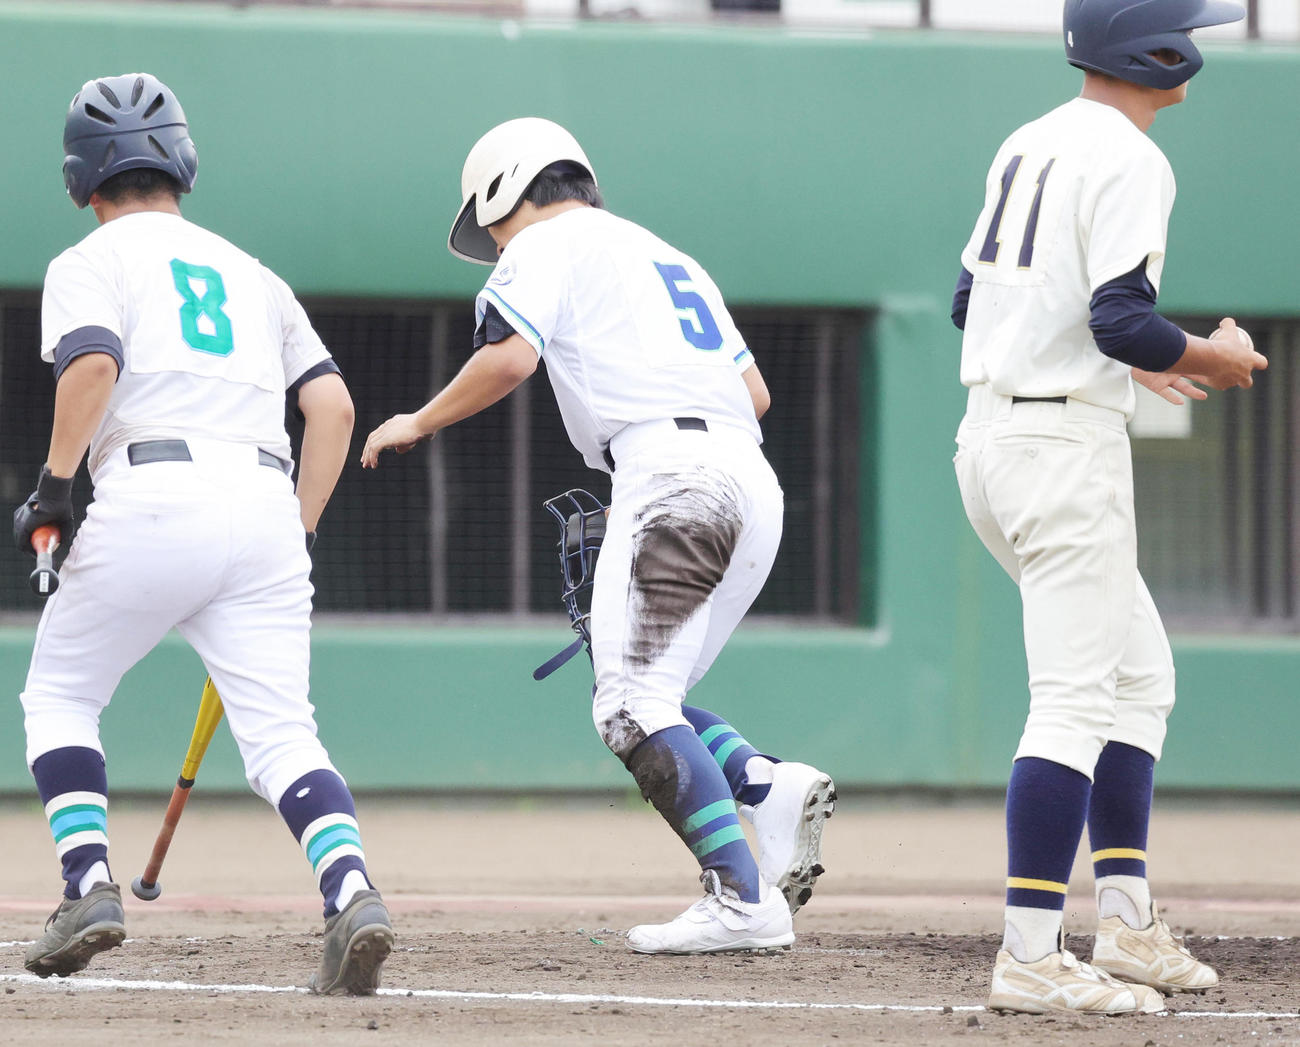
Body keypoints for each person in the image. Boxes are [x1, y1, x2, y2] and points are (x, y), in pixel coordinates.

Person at [361, 117, 835, 954]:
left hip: (675, 476)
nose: (495, 238)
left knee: (627, 704)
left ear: (510, 187)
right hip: (749, 480)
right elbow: (755, 394)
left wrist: (419, 420)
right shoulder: (668, 255)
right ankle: (764, 786)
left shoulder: (543, 244)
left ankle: (742, 900)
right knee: (658, 694)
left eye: (492, 218)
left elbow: (509, 359)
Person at [14, 72, 393, 994]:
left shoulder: (86, 262)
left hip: (151, 490)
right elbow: (334, 409)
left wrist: (54, 487)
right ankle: (352, 894)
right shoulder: (253, 273)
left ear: (81, 178)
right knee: (283, 737)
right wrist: (293, 536)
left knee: (59, 694)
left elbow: (94, 362)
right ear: (182, 162)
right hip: (265, 500)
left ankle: (88, 884)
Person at [951, 0, 1267, 1016]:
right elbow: (1118, 317)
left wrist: (1147, 359)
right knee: (1078, 700)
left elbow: (973, 302)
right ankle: (1030, 953)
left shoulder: (1028, 139)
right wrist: (1202, 355)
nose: (1198, 43)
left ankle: (1123, 921)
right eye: (1188, 29)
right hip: (1059, 452)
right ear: (1153, 49)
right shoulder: (1132, 156)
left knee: (1138, 677)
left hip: (993, 443)